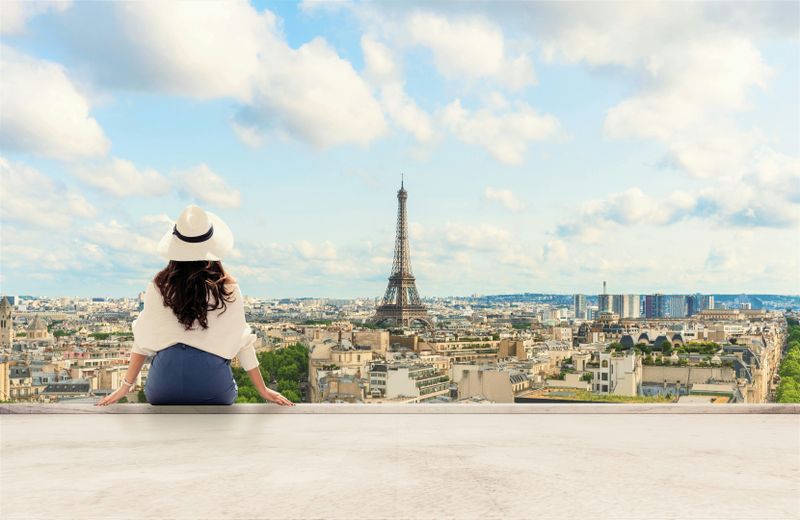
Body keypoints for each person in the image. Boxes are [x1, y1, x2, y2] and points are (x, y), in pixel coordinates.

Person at [96, 205, 294, 407]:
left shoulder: (158, 287)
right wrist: (262, 389)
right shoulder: (227, 289)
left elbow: (142, 340)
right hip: (213, 388)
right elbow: (242, 342)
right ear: (213, 247)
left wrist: (125, 386)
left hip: (163, 389)